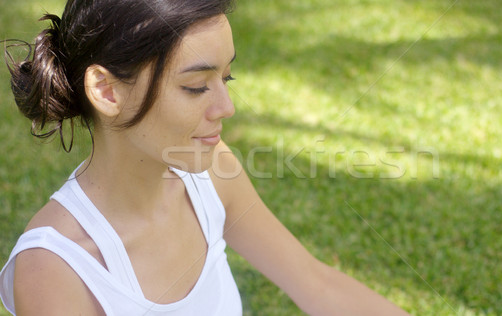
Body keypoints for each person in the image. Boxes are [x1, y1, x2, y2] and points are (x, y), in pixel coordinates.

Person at [0, 0, 410, 315]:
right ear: (107, 91)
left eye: (226, 77)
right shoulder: (55, 267)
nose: (227, 107)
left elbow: (316, 284)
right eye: (197, 86)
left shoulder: (213, 173)